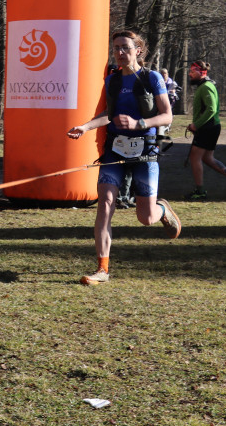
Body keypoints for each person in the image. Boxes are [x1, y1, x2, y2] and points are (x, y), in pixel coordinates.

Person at [67, 30, 181, 286]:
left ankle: (161, 210)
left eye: (125, 48)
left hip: (145, 152)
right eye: (116, 48)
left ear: (138, 50)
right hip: (115, 150)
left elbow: (167, 116)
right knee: (105, 205)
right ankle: (102, 269)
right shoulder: (112, 81)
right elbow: (109, 114)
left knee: (145, 218)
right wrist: (85, 127)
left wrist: (139, 122)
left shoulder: (151, 78)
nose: (119, 53)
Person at [186, 60, 226, 200]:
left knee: (195, 158)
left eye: (192, 71)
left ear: (201, 72)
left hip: (208, 127)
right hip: (210, 127)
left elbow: (211, 109)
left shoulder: (206, 86)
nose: (190, 74)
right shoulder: (205, 85)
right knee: (207, 158)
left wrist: (196, 125)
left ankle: (200, 191)